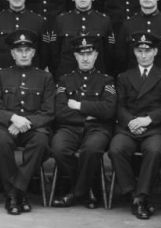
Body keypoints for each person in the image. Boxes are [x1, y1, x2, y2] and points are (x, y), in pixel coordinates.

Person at [107, 32, 161, 220]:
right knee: (116, 149)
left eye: (147, 51)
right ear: (134, 53)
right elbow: (119, 105)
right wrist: (131, 121)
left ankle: (142, 195)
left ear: (155, 52)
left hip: (153, 128)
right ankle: (132, 194)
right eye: (139, 51)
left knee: (154, 150)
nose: (143, 55)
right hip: (129, 127)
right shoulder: (123, 77)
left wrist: (148, 120)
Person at [0, 29, 55, 215]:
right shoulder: (1, 75)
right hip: (6, 126)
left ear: (33, 53)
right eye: (19, 51)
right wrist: (13, 118)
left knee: (41, 143)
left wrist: (26, 122)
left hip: (33, 128)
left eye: (28, 50)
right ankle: (19, 194)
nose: (24, 54)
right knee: (1, 142)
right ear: (12, 53)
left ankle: (16, 191)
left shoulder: (45, 77)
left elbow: (49, 112)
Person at [50, 35, 117, 210]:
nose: (86, 58)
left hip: (98, 129)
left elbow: (109, 111)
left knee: (92, 149)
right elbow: (60, 112)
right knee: (58, 148)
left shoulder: (106, 81)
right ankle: (88, 190)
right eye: (81, 54)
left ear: (96, 55)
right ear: (75, 56)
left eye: (90, 54)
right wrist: (90, 114)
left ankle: (76, 192)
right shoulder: (65, 80)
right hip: (70, 128)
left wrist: (79, 106)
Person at [51, 0, 114, 78]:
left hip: (96, 81)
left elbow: (109, 54)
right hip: (67, 79)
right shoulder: (61, 20)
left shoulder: (104, 20)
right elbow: (54, 54)